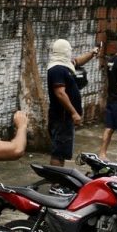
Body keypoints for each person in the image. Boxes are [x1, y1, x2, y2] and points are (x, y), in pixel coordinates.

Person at [46, 38, 99, 167]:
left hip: (64, 117)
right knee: (59, 152)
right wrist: (74, 113)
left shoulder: (63, 65)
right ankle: (55, 183)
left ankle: (57, 182)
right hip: (61, 117)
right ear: (64, 52)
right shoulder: (57, 69)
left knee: (62, 151)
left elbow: (77, 61)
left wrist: (92, 53)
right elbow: (60, 93)